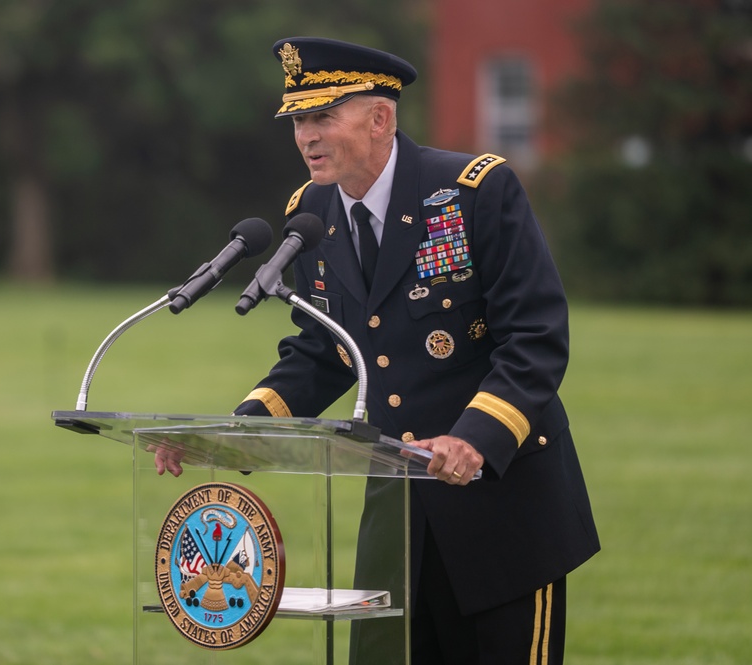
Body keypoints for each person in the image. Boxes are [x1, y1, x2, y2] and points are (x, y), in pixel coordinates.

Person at [224, 37, 601, 664]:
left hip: (501, 506)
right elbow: (324, 350)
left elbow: (534, 338)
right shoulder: (311, 213)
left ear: (380, 117)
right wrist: (240, 430)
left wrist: (473, 436)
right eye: (297, 120)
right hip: (396, 514)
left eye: (322, 116)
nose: (306, 137)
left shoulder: (475, 191)